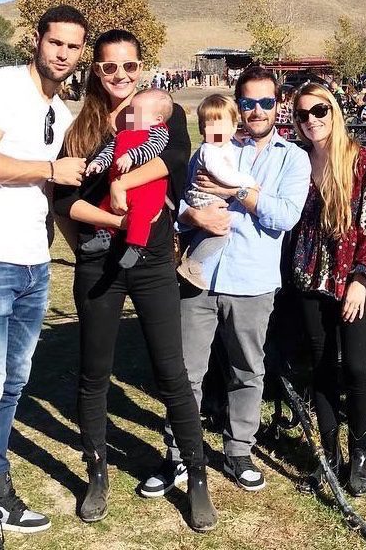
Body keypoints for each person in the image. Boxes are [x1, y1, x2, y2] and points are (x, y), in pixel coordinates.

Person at [52, 29, 217, 532]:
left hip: (150, 261)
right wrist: (110, 227)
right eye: (108, 67)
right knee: (93, 371)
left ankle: (198, 478)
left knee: (172, 371)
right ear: (95, 70)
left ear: (141, 67)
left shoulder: (165, 116)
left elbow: (173, 166)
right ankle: (97, 473)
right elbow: (64, 202)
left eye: (128, 66)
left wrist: (124, 182)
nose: (120, 75)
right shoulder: (79, 129)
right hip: (99, 263)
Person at [0, 6, 88, 550]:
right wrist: (49, 169)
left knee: (12, 385)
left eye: (73, 48)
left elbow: (53, 198)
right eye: (56, 43)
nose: (63, 54)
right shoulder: (2, 86)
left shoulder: (61, 111)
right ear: (38, 40)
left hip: (34, 263)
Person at [146, 66, 310, 495]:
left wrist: (235, 193)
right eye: (249, 102)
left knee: (247, 370)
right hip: (198, 278)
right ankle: (179, 454)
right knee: (186, 372)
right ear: (238, 108)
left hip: (252, 281)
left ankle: (238, 450)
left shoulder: (292, 157)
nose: (257, 110)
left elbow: (284, 215)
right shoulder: (214, 147)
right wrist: (194, 213)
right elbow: (182, 204)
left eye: (266, 102)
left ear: (279, 105)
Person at [289, 83, 366, 497]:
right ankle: (329, 456)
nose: (311, 120)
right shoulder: (294, 162)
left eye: (319, 110)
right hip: (309, 280)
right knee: (322, 366)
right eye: (301, 114)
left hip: (355, 281)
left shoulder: (364, 162)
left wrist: (362, 280)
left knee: (357, 369)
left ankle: (360, 457)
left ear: (334, 111)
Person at [78, 88, 173, 268]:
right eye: (130, 110)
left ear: (157, 119)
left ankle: (136, 246)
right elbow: (109, 151)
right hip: (119, 186)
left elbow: (153, 148)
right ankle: (104, 236)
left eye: (136, 112)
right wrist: (99, 163)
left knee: (141, 214)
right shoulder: (123, 134)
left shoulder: (158, 132)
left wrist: (131, 156)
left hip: (147, 188)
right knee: (105, 206)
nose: (130, 115)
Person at [177, 95, 259, 288]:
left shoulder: (224, 144)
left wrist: (237, 135)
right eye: (210, 127)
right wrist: (248, 183)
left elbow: (231, 140)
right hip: (203, 196)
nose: (217, 132)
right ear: (202, 130)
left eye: (223, 127)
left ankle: (190, 258)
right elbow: (223, 175)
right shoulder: (209, 150)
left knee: (214, 228)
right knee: (221, 230)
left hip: (211, 195)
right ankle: (192, 263)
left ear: (232, 127)